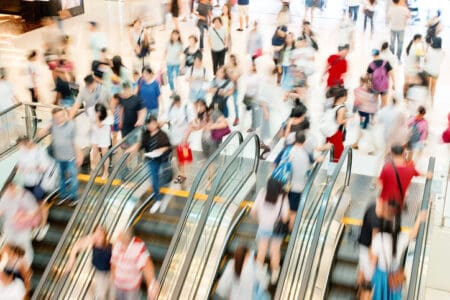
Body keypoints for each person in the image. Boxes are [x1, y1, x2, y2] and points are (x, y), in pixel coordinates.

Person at [371, 206, 427, 300]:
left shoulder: (378, 238)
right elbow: (413, 233)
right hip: (395, 277)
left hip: (380, 276)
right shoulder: (402, 237)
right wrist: (419, 219)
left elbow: (373, 262)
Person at [126, 116, 171, 213]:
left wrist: (160, 150)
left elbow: (167, 147)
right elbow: (139, 145)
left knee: (162, 178)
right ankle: (158, 199)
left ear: (155, 123)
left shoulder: (162, 135)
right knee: (154, 178)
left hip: (162, 159)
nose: (150, 125)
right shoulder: (145, 134)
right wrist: (129, 151)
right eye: (148, 124)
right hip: (151, 159)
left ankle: (161, 191)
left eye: (152, 123)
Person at [250, 178, 289, 284]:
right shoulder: (283, 197)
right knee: (274, 251)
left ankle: (258, 277)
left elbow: (253, 212)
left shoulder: (262, 193)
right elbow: (285, 218)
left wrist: (260, 221)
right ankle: (274, 275)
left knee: (261, 252)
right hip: (277, 229)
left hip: (263, 227)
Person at [41, 108, 82, 204]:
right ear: (54, 118)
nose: (60, 118)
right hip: (59, 158)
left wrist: (79, 155)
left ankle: (73, 197)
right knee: (61, 177)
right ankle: (63, 195)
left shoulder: (72, 125)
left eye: (62, 116)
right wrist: (49, 125)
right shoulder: (53, 125)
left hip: (71, 157)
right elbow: (40, 134)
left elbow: (75, 141)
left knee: (73, 177)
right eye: (57, 117)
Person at [16, 137, 51, 240]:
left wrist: (30, 169)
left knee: (41, 204)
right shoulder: (21, 152)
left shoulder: (39, 151)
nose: (21, 149)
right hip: (27, 183)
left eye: (22, 147)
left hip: (39, 182)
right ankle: (35, 225)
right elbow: (19, 165)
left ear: (28, 144)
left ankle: (43, 226)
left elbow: (45, 167)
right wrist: (21, 168)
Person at [65, 226, 113, 300]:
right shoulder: (94, 240)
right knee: (101, 293)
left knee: (106, 293)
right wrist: (72, 258)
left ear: (105, 235)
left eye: (100, 234)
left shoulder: (110, 247)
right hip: (99, 272)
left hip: (109, 273)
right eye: (96, 233)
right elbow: (78, 245)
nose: (97, 236)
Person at [378, 144, 431, 210]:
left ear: (392, 154)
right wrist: (427, 175)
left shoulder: (387, 167)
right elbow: (417, 173)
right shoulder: (409, 168)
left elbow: (380, 182)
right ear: (404, 154)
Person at [0, 182, 39, 267]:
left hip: (23, 228)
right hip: (10, 228)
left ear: (13, 186)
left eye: (9, 188)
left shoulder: (24, 195)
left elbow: (34, 210)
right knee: (9, 247)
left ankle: (25, 264)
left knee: (23, 245)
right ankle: (12, 266)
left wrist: (21, 217)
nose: (7, 191)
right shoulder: (5, 197)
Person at [111, 229, 157, 300]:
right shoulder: (118, 243)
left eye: (120, 235)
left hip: (131, 290)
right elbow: (113, 263)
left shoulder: (138, 246)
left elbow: (147, 266)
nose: (117, 237)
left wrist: (151, 286)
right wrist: (114, 279)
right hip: (118, 287)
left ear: (127, 237)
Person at [285, 132, 313, 229]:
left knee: (286, 209)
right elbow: (308, 173)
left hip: (288, 186)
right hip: (299, 188)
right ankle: (289, 233)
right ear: (304, 142)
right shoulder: (305, 155)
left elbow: (286, 168)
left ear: (295, 139)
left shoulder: (290, 151)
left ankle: (283, 228)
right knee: (294, 212)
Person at [163, 94, 193, 184]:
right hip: (174, 137)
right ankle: (182, 174)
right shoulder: (171, 107)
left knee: (182, 158)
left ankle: (183, 175)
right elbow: (166, 118)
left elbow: (191, 125)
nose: (173, 103)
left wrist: (185, 138)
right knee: (178, 157)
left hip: (184, 137)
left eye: (175, 101)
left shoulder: (187, 107)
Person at [357, 201, 384, 300]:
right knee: (368, 284)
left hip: (364, 247)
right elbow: (374, 245)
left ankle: (359, 294)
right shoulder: (376, 217)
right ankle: (364, 295)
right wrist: (373, 262)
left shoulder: (372, 207)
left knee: (362, 276)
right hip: (369, 252)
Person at [352, 77, 378, 153]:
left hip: (366, 115)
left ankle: (374, 148)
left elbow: (357, 102)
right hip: (365, 114)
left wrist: (353, 112)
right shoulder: (372, 92)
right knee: (361, 130)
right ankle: (356, 143)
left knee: (368, 132)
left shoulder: (360, 91)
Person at [88, 103, 113, 179]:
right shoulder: (92, 109)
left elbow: (99, 125)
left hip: (104, 136)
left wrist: (97, 116)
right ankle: (95, 169)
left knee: (104, 154)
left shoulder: (109, 117)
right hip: (95, 134)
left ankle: (106, 172)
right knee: (94, 152)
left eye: (99, 113)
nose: (97, 114)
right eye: (96, 112)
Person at [324, 87, 348, 163]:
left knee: (331, 153)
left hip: (329, 133)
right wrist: (346, 120)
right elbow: (339, 121)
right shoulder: (342, 108)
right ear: (342, 97)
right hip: (336, 134)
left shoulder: (331, 105)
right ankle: (332, 172)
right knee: (337, 156)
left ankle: (330, 171)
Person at [225, 54, 241, 126]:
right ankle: (224, 117)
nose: (230, 62)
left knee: (235, 104)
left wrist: (228, 73)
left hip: (235, 89)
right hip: (227, 88)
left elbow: (234, 78)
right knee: (223, 102)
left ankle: (237, 118)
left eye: (232, 60)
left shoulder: (237, 69)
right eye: (229, 60)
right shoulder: (227, 68)